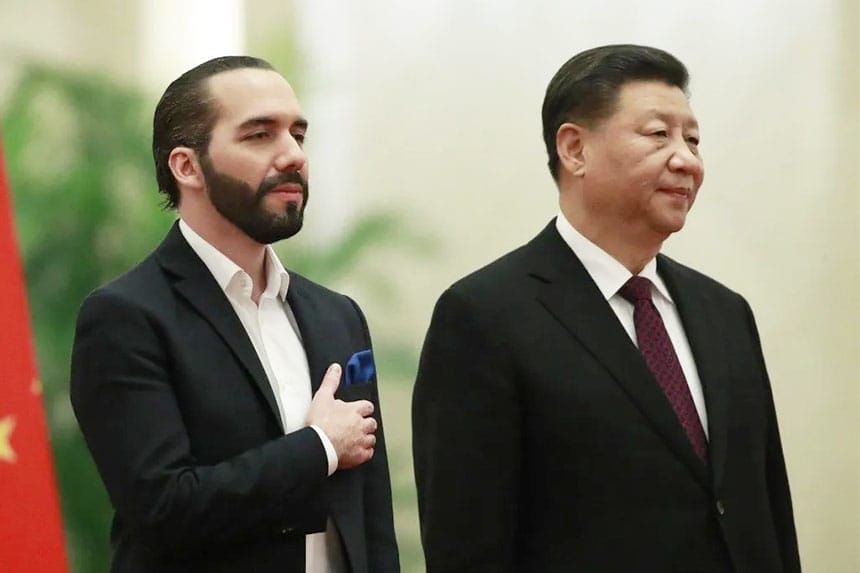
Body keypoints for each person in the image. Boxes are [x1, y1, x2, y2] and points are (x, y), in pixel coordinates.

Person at [412, 44, 800, 572]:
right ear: (574, 149)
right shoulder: (484, 317)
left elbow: (769, 510)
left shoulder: (725, 312)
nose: (686, 160)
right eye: (658, 134)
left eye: (693, 139)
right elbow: (466, 545)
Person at [70, 56, 399, 573]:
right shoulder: (125, 318)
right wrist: (318, 448)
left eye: (298, 134)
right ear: (187, 167)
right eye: (259, 135)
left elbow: (370, 516)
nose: (293, 155)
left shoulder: (338, 315)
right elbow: (163, 510)